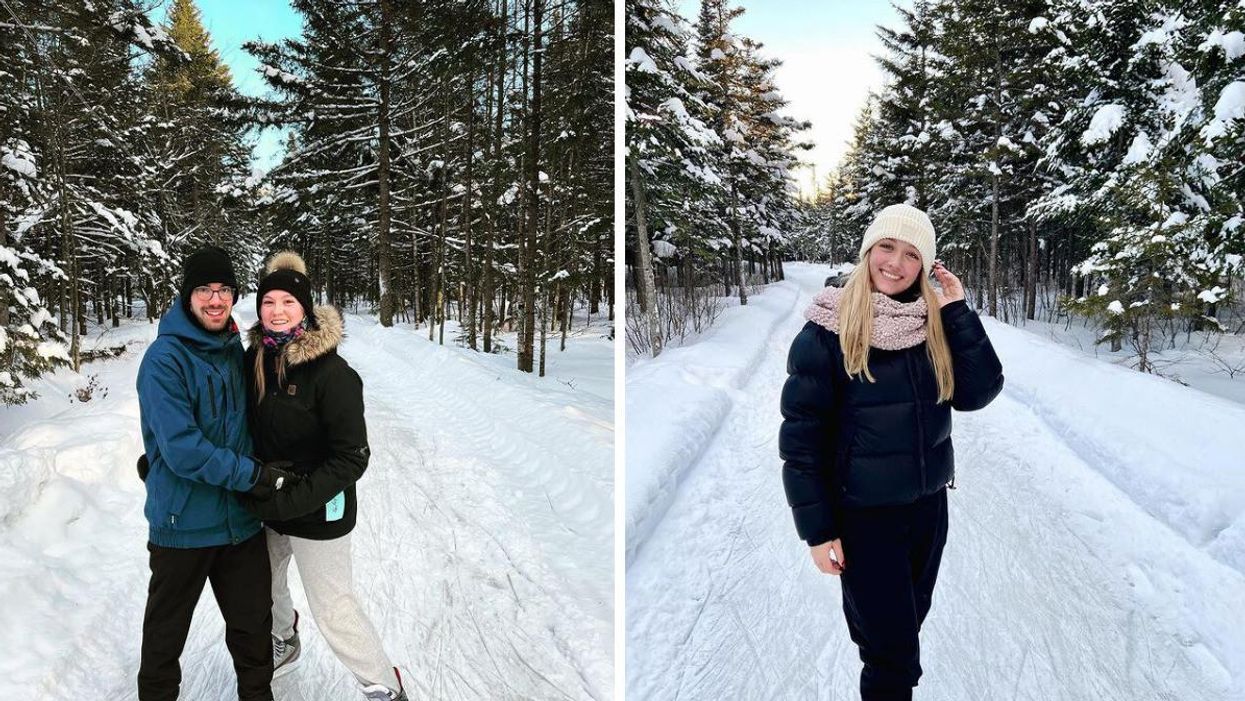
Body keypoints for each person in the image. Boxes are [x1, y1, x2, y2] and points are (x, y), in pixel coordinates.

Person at [779, 204, 1004, 701]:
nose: (896, 264)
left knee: (904, 629)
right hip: (863, 518)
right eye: (887, 247)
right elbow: (801, 439)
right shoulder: (827, 329)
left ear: (925, 266)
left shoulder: (934, 325)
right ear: (867, 251)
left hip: (927, 510)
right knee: (891, 652)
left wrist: (958, 310)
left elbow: (977, 393)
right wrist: (817, 531)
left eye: (911, 255)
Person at [238, 251, 409, 701]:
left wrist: (291, 501)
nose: (277, 311)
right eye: (269, 301)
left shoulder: (334, 374)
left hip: (320, 513)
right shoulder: (256, 360)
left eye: (288, 303)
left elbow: (352, 457)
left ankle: (386, 688)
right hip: (268, 505)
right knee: (263, 587)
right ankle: (284, 641)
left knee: (334, 608)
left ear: (306, 309)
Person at [136, 246, 297, 701]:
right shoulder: (164, 359)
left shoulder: (235, 351)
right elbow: (184, 449)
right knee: (164, 641)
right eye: (204, 289)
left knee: (253, 632)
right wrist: (252, 475)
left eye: (224, 289)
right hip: (182, 526)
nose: (214, 299)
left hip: (239, 524)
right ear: (188, 296)